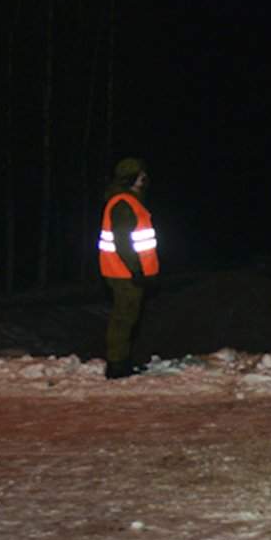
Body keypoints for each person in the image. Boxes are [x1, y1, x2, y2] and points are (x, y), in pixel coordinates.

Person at [98, 157, 159, 380]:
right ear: (131, 178)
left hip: (125, 271)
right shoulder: (124, 203)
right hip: (124, 273)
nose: (145, 178)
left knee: (128, 318)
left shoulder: (129, 201)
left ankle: (121, 361)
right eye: (141, 175)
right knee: (123, 319)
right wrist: (137, 271)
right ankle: (117, 366)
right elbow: (124, 242)